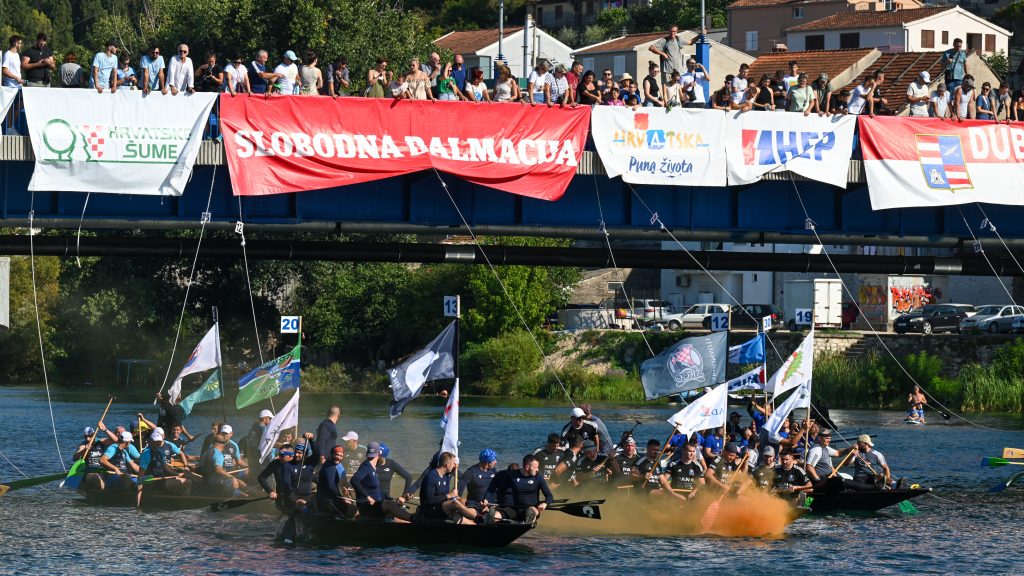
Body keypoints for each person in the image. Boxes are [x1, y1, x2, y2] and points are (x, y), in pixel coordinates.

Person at [484, 454, 553, 525]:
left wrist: (545, 503)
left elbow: (549, 495)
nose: (537, 469)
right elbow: (496, 490)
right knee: (495, 517)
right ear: (527, 467)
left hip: (530, 508)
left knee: (531, 511)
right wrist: (486, 499)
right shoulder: (513, 476)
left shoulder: (538, 477)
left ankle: (529, 521)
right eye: (535, 467)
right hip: (513, 508)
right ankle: (490, 518)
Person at [418, 451, 478, 524]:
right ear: (448, 464)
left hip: (441, 507)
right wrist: (449, 495)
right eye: (453, 463)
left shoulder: (445, 476)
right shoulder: (431, 476)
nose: (454, 466)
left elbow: (445, 496)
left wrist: (454, 497)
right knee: (455, 503)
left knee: (462, 501)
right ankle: (478, 518)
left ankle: (477, 518)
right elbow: (429, 500)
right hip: (429, 509)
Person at [138, 429, 188, 494]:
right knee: (187, 481)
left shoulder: (159, 453)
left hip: (162, 477)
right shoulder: (146, 453)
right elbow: (141, 476)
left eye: (159, 441)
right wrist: (139, 494)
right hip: (154, 480)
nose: (158, 444)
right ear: (151, 441)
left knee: (187, 477)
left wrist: (178, 474)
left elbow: (166, 467)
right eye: (156, 442)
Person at [317, 445, 356, 517]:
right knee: (354, 510)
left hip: (328, 499)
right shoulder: (330, 468)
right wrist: (342, 497)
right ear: (332, 454)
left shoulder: (330, 465)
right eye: (336, 454)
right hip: (328, 502)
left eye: (341, 456)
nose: (338, 457)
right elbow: (331, 486)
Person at [257, 443, 295, 509]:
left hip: (296, 496)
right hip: (281, 496)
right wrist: (270, 491)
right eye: (279, 455)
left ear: (291, 456)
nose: (279, 457)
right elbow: (261, 477)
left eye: (282, 455)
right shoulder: (275, 463)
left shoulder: (298, 463)